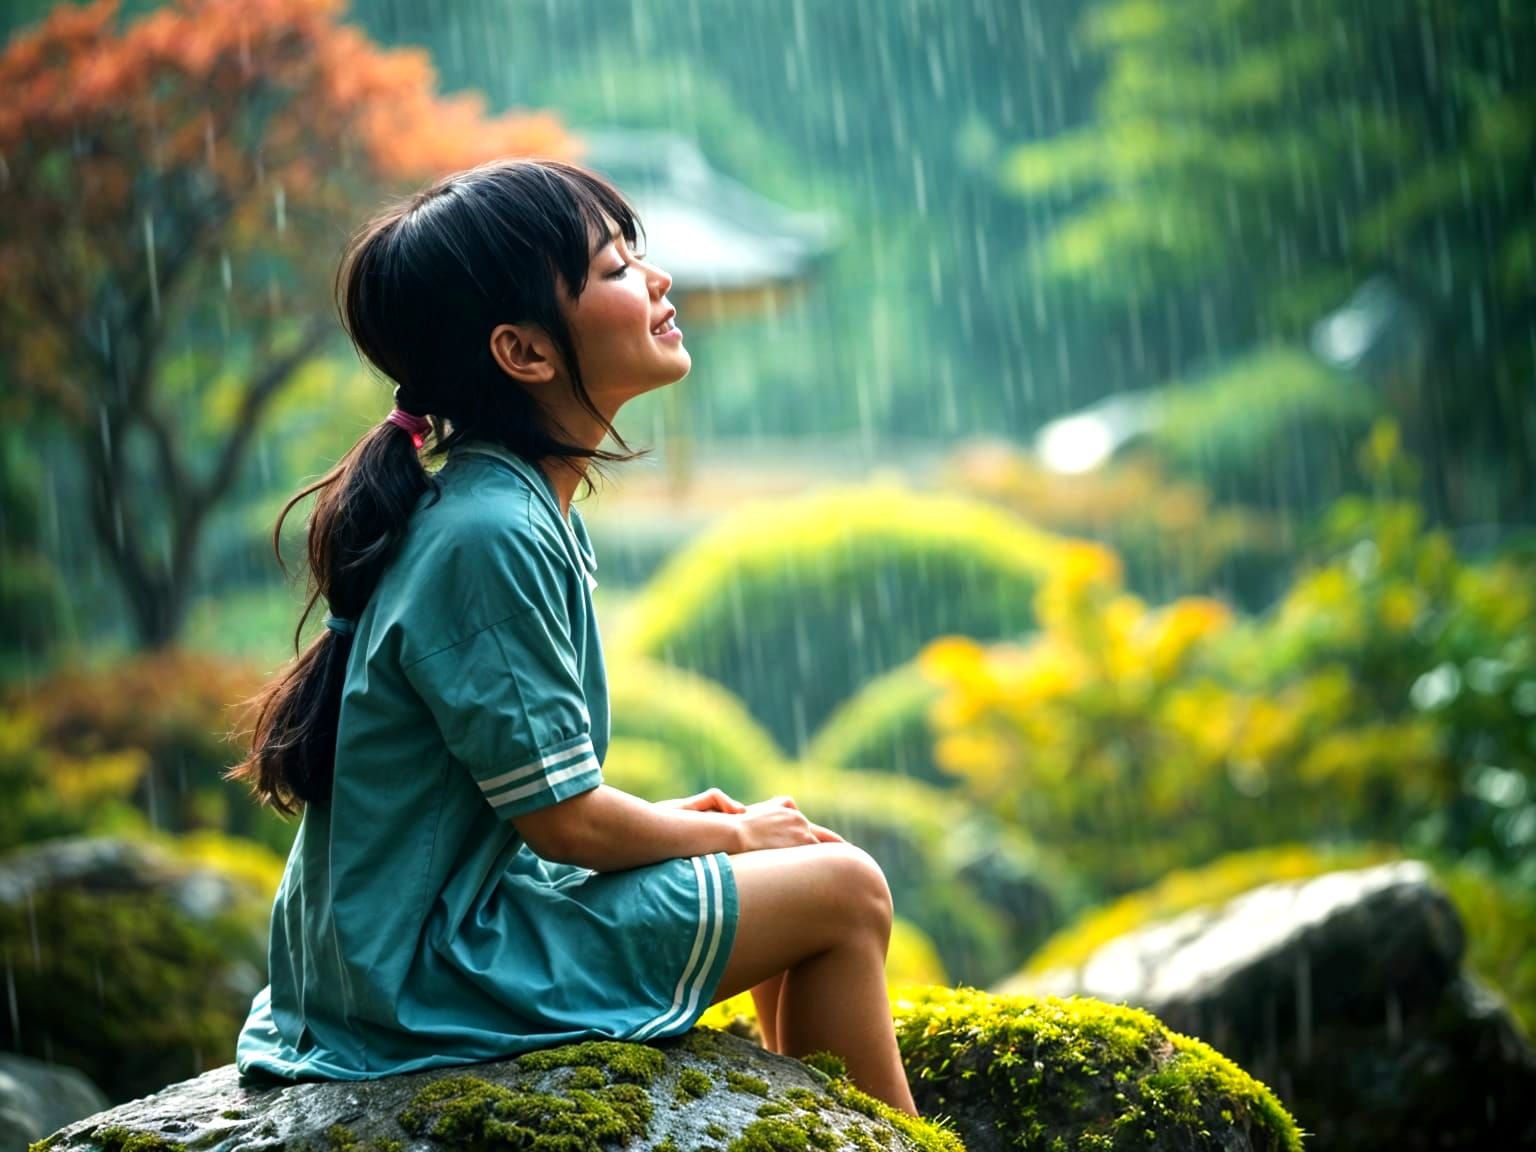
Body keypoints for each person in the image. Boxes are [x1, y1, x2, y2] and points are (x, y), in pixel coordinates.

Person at [227, 157, 920, 1116]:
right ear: (525, 353)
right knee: (847, 889)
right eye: (614, 268)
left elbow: (531, 810)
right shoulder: (491, 533)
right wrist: (728, 832)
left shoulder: (500, 506)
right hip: (422, 978)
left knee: (780, 869)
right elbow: (567, 823)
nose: (657, 278)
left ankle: (830, 1124)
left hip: (401, 952)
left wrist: (720, 839)